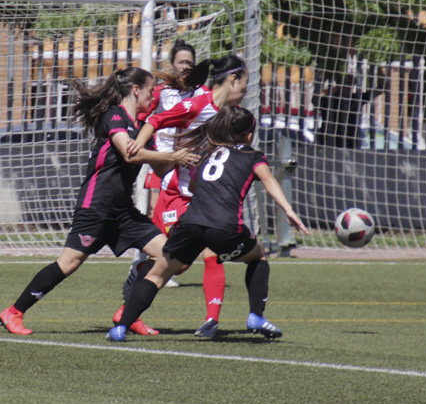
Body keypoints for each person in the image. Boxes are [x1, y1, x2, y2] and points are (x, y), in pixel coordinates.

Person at [0, 67, 197, 336]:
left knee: (175, 258)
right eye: (150, 91)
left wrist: (184, 146)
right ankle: (14, 312)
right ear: (135, 90)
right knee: (69, 264)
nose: (153, 97)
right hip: (97, 206)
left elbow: (159, 168)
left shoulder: (140, 127)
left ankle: (128, 313)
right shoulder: (114, 115)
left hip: (123, 211)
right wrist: (173, 156)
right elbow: (129, 154)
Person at [109, 106, 309, 342]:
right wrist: (288, 210)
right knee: (258, 256)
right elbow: (267, 179)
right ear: (248, 134)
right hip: (224, 226)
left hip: (190, 223)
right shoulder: (252, 156)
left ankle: (120, 328)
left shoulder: (208, 153)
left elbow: (194, 187)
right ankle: (255, 315)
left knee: (157, 274)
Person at [124, 54, 250, 338]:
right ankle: (131, 299)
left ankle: (210, 322)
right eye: (245, 83)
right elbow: (156, 120)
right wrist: (136, 146)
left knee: (212, 254)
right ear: (232, 80)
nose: (245, 89)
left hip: (200, 197)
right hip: (175, 195)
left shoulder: (231, 112)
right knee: (175, 265)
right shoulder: (198, 104)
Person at [128, 39, 207, 292]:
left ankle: (157, 264)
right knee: (155, 208)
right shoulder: (161, 92)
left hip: (190, 166)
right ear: (172, 64)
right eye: (181, 61)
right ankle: (154, 264)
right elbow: (143, 118)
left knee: (185, 223)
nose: (186, 66)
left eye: (190, 63)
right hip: (162, 164)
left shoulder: (202, 93)